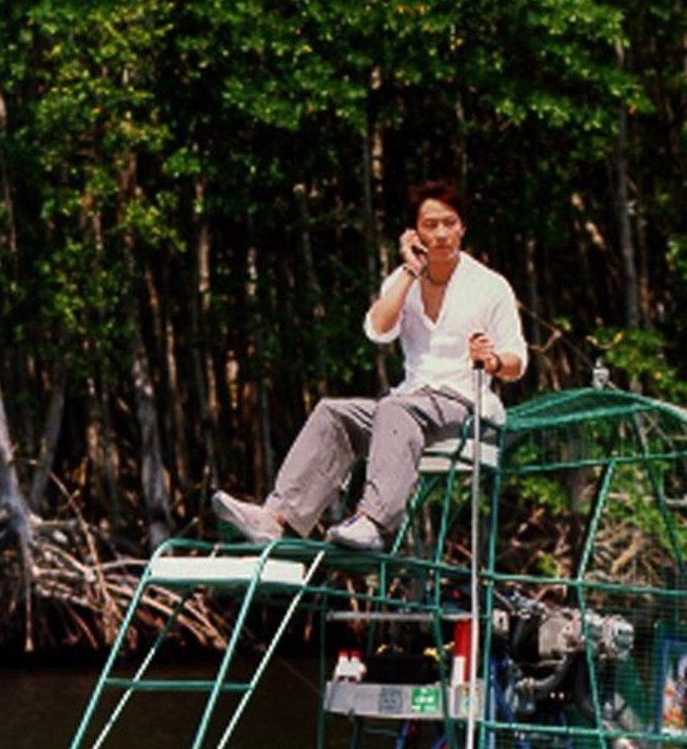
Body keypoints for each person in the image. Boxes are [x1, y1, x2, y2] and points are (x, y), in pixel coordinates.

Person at [212, 178, 527, 552]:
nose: (441, 233)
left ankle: (373, 522)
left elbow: (517, 361)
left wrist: (491, 361)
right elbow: (378, 330)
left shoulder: (490, 285)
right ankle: (276, 518)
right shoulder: (402, 280)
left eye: (449, 223)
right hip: (409, 405)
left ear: (462, 228)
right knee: (334, 413)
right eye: (430, 225)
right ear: (414, 233)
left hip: (466, 408)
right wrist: (411, 271)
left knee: (395, 409)